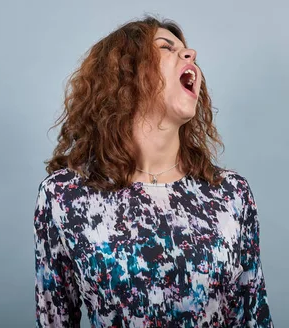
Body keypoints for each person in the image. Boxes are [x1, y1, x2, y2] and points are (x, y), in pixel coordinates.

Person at [34, 16, 274, 327]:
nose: (191, 55)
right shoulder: (65, 196)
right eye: (166, 47)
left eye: (187, 50)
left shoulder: (231, 194)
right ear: (126, 74)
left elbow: (253, 317)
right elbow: (54, 319)